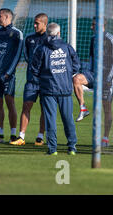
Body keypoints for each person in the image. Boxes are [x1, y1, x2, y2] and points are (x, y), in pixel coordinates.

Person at [30, 23, 80, 155]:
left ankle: (53, 149)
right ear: (58, 33)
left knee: (50, 119)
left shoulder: (41, 49)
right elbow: (76, 65)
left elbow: (34, 69)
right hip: (64, 89)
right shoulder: (67, 47)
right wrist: (66, 74)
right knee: (68, 119)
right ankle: (72, 147)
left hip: (48, 89)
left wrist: (44, 77)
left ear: (47, 34)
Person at [73, 17, 113, 147]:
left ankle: (105, 138)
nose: (91, 27)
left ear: (101, 25)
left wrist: (107, 79)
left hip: (106, 78)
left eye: (93, 25)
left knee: (106, 109)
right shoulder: (93, 39)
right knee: (76, 79)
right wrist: (87, 72)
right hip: (93, 74)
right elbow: (91, 57)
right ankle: (83, 108)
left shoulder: (110, 39)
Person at [10, 13, 48, 146]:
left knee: (45, 108)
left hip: (46, 81)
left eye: (37, 23)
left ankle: (40, 136)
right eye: (34, 22)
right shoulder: (29, 38)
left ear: (45, 24)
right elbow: (26, 55)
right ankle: (21, 136)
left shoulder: (49, 39)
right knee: (26, 106)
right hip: (31, 80)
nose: (35, 25)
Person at [0, 8, 23, 144]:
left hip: (8, 75)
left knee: (10, 102)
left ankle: (13, 135)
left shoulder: (16, 34)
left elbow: (18, 55)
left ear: (7, 17)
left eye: (0, 16)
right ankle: (0, 135)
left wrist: (9, 72)